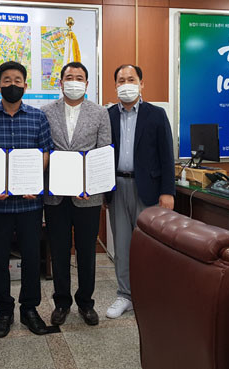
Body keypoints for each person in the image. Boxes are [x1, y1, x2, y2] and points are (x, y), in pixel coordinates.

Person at [0, 61, 54, 338]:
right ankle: (4, 312)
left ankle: (29, 309)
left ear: (25, 85)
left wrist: (34, 180)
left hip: (30, 203)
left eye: (17, 80)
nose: (12, 85)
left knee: (31, 256)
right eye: (6, 80)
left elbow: (45, 152)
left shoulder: (38, 117)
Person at [42, 62, 111, 326]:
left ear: (87, 83)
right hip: (56, 195)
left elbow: (103, 152)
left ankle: (85, 302)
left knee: (86, 252)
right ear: (60, 83)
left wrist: (90, 185)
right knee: (59, 250)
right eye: (69, 77)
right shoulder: (46, 112)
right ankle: (61, 302)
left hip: (87, 196)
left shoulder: (100, 113)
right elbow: (43, 151)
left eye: (79, 77)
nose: (74, 81)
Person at [106, 64, 175, 319]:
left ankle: (150, 295)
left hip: (149, 189)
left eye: (131, 79)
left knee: (149, 245)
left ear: (141, 83)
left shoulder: (156, 114)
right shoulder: (108, 115)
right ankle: (125, 295)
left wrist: (168, 191)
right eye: (121, 80)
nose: (126, 84)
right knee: (122, 245)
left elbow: (167, 155)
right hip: (117, 186)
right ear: (115, 85)